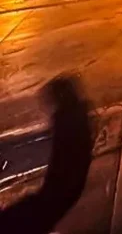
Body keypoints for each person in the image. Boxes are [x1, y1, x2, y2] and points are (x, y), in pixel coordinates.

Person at [0, 76, 93, 234]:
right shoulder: (75, 119)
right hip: (60, 194)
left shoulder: (67, 123)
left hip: (57, 195)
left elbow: (61, 172)